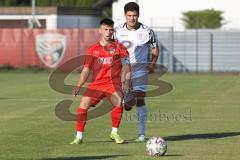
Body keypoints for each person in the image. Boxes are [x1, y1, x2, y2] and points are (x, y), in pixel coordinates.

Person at [70, 18, 131, 144]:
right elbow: (86, 70)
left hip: (113, 85)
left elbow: (126, 66)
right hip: (96, 85)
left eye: (111, 29)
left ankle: (114, 133)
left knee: (118, 102)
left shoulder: (120, 47)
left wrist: (126, 82)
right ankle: (79, 137)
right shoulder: (93, 49)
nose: (109, 32)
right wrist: (78, 85)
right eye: (106, 29)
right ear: (100, 30)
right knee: (83, 105)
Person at [114, 2, 160, 142]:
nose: (132, 18)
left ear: (138, 15)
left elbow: (155, 49)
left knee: (140, 98)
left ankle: (141, 134)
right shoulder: (117, 31)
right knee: (127, 106)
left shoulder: (147, 31)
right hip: (123, 69)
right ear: (125, 15)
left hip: (140, 68)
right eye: (129, 15)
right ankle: (116, 128)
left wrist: (152, 64)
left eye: (134, 15)